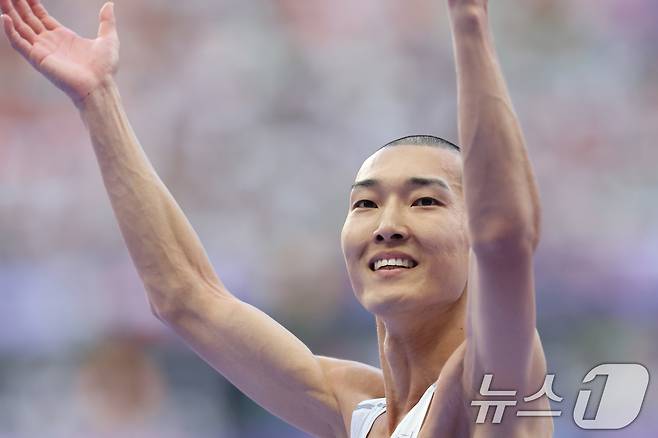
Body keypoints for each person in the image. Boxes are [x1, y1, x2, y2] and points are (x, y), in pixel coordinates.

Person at [1, 0, 552, 436]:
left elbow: (505, 240)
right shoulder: (355, 411)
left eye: (425, 200)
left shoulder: (492, 382)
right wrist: (98, 99)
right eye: (364, 202)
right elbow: (185, 298)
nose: (387, 222)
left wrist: (468, 17)